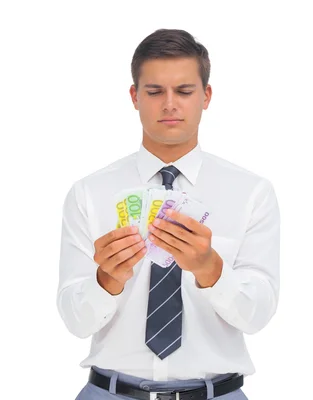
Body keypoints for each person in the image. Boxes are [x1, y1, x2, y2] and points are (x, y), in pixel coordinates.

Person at [57, 28, 280, 400]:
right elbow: (75, 322)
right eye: (155, 91)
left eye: (185, 91)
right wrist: (106, 279)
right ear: (134, 96)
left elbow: (257, 316)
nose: (169, 104)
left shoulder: (251, 193)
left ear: (206, 96)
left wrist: (211, 269)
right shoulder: (89, 193)